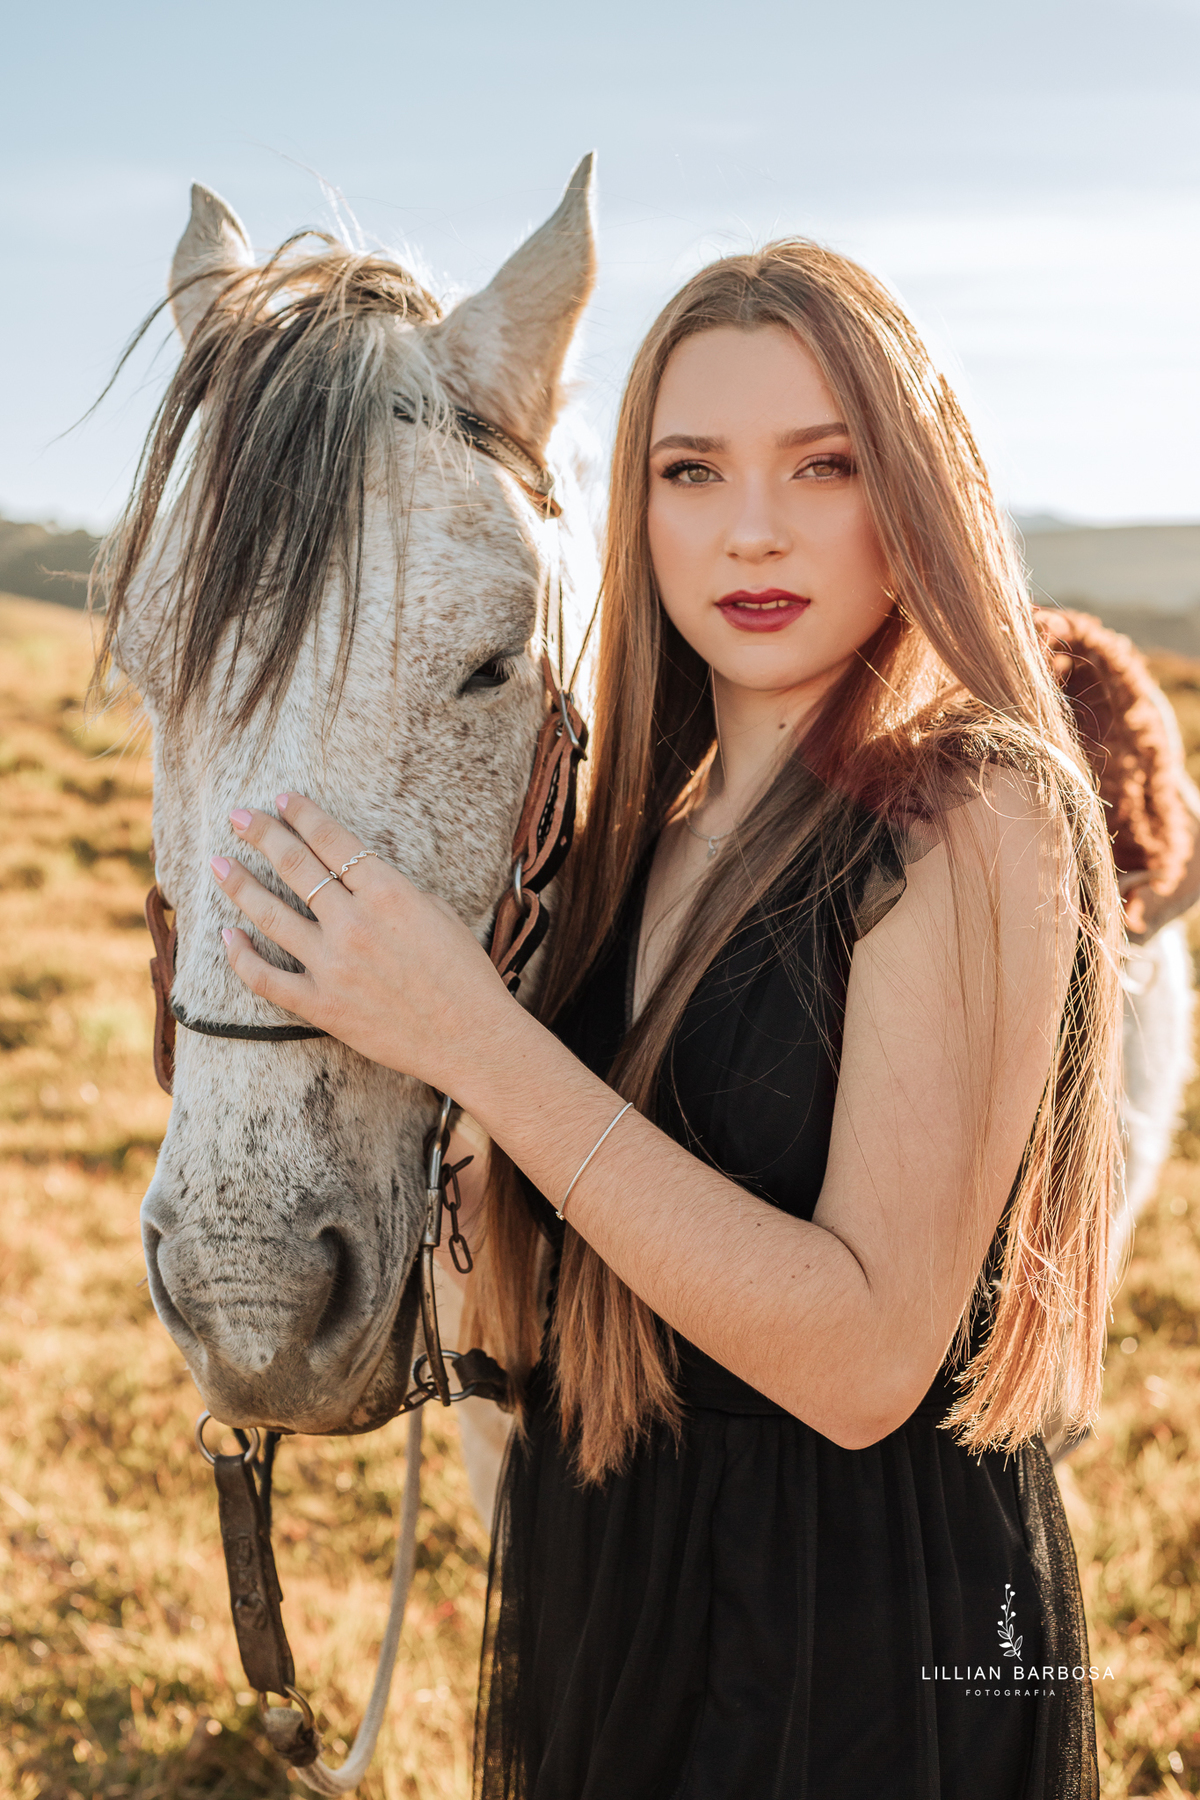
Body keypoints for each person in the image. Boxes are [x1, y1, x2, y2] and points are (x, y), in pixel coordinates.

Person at [211, 241, 1120, 1799]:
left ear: (917, 487)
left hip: (862, 1633)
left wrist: (470, 1036)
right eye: (691, 471)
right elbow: (559, 1281)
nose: (752, 529)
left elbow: (864, 1360)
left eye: (824, 464)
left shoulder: (970, 812)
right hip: (620, 1563)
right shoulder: (634, 837)